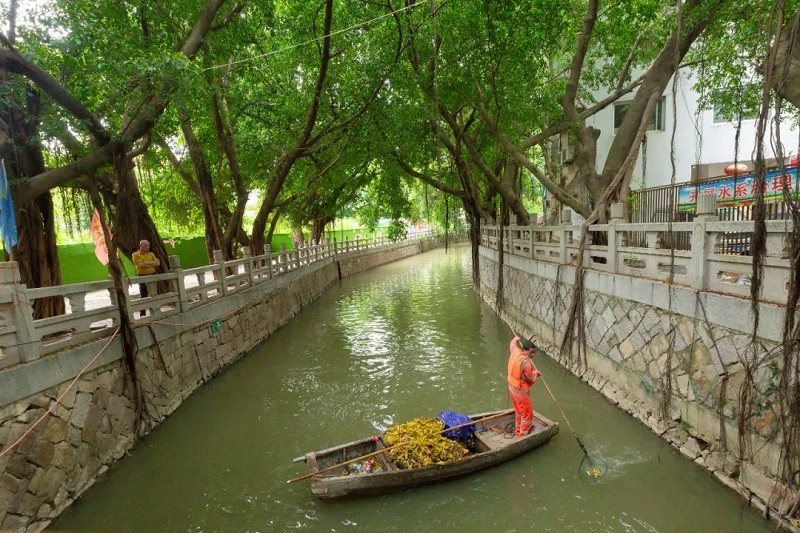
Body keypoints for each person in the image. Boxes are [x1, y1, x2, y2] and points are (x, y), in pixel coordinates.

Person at [507, 335, 541, 438]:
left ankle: (518, 430)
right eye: (531, 353)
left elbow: (512, 345)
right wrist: (536, 373)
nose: (532, 355)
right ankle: (523, 435)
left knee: (518, 411)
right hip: (520, 392)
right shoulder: (526, 363)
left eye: (534, 353)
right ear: (525, 350)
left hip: (512, 388)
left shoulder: (516, 351)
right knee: (527, 414)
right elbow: (529, 378)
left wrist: (515, 339)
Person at [132, 240, 160, 317]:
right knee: (143, 294)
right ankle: (142, 313)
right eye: (146, 246)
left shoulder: (151, 254)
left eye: (148, 246)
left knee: (154, 292)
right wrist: (152, 264)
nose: (148, 247)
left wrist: (146, 263)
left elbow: (158, 263)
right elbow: (141, 265)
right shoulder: (136, 254)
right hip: (142, 276)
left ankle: (156, 310)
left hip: (152, 275)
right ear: (140, 246)